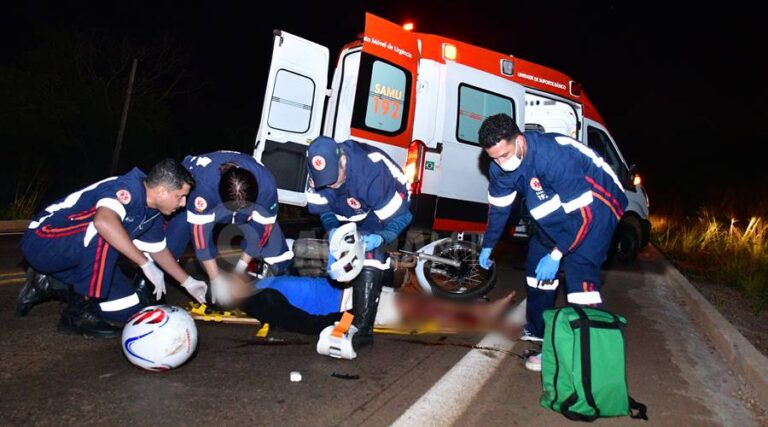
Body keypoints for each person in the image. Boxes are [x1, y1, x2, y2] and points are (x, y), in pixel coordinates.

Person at [476, 113, 628, 372]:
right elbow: (500, 209)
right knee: (536, 268)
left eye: (506, 154)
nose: (502, 163)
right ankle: (539, 329)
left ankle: (576, 351)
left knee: (580, 276)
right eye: (495, 157)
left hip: (599, 203)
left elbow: (584, 217)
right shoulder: (499, 168)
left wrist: (558, 254)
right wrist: (489, 244)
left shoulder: (553, 158)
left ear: (520, 140)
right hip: (559, 204)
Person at [17, 159, 208, 337]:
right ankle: (77, 315)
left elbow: (157, 250)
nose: (183, 204)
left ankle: (48, 283)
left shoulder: (152, 213)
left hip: (71, 257)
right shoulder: (126, 189)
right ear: (161, 191)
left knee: (131, 310)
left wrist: (188, 282)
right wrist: (144, 264)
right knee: (107, 232)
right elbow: (103, 222)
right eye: (180, 196)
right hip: (43, 240)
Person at [304, 136, 412, 350]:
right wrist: (334, 231)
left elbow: (404, 217)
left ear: (343, 161)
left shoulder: (370, 174)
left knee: (370, 256)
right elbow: (324, 210)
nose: (331, 185)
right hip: (352, 211)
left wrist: (381, 238)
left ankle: (363, 330)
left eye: (334, 179)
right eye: (325, 182)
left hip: (385, 206)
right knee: (342, 253)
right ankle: (353, 303)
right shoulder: (315, 177)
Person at [165, 151, 293, 305]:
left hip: (245, 204)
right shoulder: (203, 186)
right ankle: (147, 287)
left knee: (275, 246)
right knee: (170, 247)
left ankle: (285, 288)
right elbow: (201, 238)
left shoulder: (267, 187)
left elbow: (260, 232)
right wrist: (215, 278)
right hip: (198, 197)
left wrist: (240, 269)